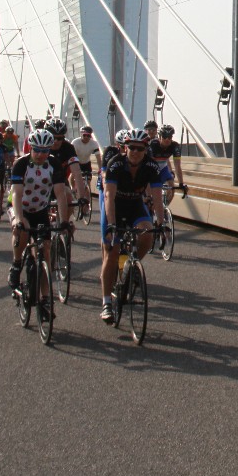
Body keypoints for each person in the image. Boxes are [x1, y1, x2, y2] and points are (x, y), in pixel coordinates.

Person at [97, 129, 165, 327]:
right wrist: (111, 224)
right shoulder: (115, 164)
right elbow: (108, 196)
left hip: (135, 204)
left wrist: (160, 223)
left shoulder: (151, 166)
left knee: (147, 235)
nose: (135, 151)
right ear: (125, 148)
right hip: (115, 207)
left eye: (140, 148)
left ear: (146, 150)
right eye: (131, 147)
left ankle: (131, 265)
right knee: (112, 252)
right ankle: (106, 303)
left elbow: (157, 196)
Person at [9, 128, 58, 290]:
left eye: (45, 151)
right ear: (30, 147)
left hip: (40, 209)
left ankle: (45, 298)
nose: (40, 154)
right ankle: (16, 264)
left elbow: (61, 193)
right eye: (36, 150)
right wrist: (18, 218)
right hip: (20, 206)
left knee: (45, 251)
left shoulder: (53, 164)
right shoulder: (21, 164)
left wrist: (65, 222)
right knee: (22, 230)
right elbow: (16, 194)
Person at [46, 119, 88, 231]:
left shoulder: (68, 148)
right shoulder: (42, 147)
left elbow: (77, 172)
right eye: (53, 138)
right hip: (43, 180)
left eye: (60, 138)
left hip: (60, 179)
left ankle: (63, 223)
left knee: (68, 197)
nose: (56, 141)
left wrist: (81, 197)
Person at [148, 124, 186, 203]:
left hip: (163, 168)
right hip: (151, 168)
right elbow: (149, 163)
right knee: (152, 189)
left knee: (171, 187)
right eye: (164, 137)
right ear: (159, 136)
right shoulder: (153, 144)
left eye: (169, 137)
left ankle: (165, 206)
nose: (167, 139)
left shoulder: (175, 146)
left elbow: (177, 166)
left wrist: (181, 183)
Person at [70, 125, 102, 192]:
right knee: (73, 175)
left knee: (88, 183)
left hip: (86, 163)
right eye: (84, 135)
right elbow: (71, 156)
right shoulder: (75, 142)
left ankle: (87, 197)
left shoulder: (94, 143)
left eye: (88, 135)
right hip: (77, 162)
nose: (86, 137)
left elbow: (98, 158)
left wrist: (100, 169)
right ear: (81, 134)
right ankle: (73, 188)